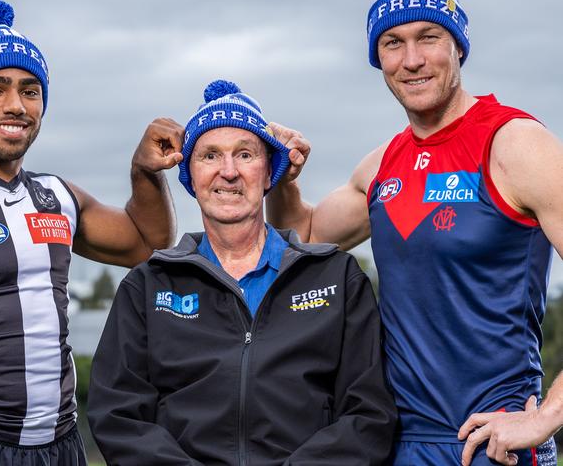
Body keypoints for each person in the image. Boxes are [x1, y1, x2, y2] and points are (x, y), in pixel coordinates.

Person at [266, 0, 563, 465]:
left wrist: (549, 413)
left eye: (428, 37)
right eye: (392, 42)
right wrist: (281, 178)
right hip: (394, 443)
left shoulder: (516, 145)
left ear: (458, 46)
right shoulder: (382, 165)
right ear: (378, 58)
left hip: (490, 444)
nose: (411, 59)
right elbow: (304, 236)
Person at [0, 0, 183, 465]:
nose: (15, 105)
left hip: (58, 445)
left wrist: (144, 172)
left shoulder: (56, 195)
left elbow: (149, 245)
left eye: (30, 90)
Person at [87, 80, 397, 465]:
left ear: (269, 174)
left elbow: (370, 415)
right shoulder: (148, 286)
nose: (228, 172)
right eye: (210, 156)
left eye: (246, 154)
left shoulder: (336, 277)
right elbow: (117, 415)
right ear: (191, 178)